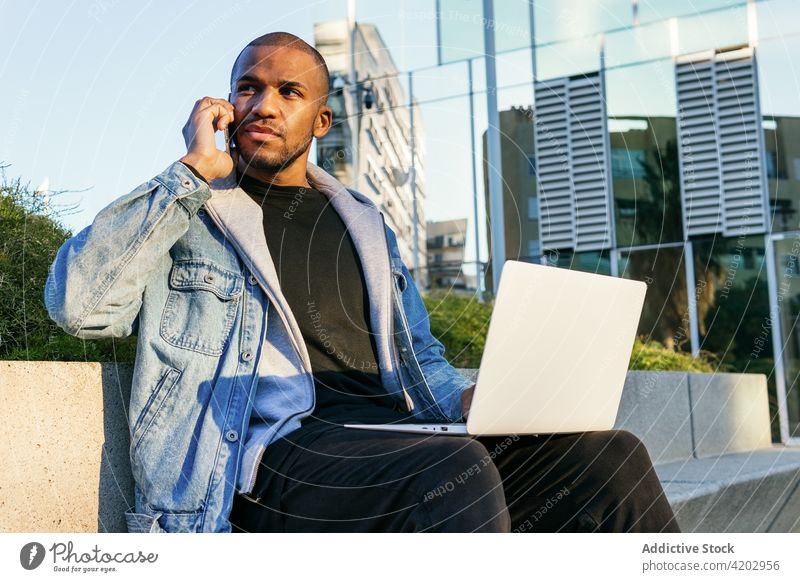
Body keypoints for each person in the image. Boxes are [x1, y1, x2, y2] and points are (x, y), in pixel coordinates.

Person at [45, 31, 680, 533]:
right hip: (271, 459)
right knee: (451, 470)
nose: (263, 104)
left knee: (608, 457)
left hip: (396, 439)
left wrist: (474, 405)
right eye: (248, 87)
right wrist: (190, 170)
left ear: (321, 122)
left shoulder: (364, 221)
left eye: (289, 92)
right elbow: (79, 307)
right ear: (224, 104)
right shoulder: (189, 209)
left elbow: (418, 356)